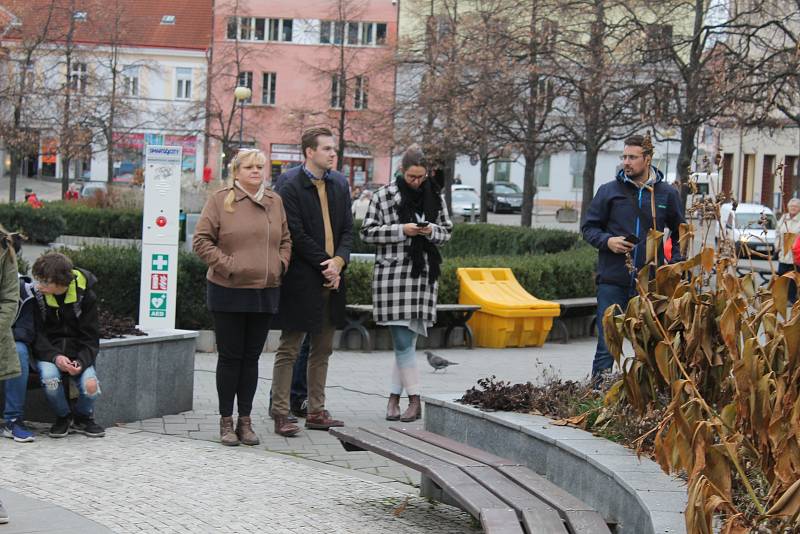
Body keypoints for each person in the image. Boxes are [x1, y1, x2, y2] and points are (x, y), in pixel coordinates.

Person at [193, 148, 292, 446]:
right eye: (249, 167)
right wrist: (229, 266)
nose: (256, 171)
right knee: (230, 358)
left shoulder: (276, 202)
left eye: (260, 167)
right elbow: (201, 240)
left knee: (251, 359)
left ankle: (245, 421)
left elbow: (286, 240)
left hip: (264, 291)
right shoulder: (220, 200)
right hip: (228, 291)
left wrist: (280, 265)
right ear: (236, 171)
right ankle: (226, 421)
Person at [270, 126, 353, 437]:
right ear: (309, 152)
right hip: (303, 278)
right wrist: (326, 265)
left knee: (323, 348)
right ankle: (280, 411)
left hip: (334, 277)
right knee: (289, 347)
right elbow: (295, 233)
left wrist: (339, 263)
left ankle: (316, 409)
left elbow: (347, 230)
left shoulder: (340, 183)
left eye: (334, 148)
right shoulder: (289, 184)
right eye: (327, 149)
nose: (333, 153)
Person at [581, 134, 684, 381]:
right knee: (607, 343)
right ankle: (597, 396)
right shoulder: (608, 191)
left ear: (647, 159)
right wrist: (607, 241)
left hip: (648, 285)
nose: (626, 162)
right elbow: (588, 228)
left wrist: (672, 267)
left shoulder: (666, 194)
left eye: (632, 157)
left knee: (648, 344)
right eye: (624, 156)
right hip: (612, 280)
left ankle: (644, 399)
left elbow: (681, 233)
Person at [360, 146, 453, 421]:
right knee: (402, 342)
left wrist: (430, 230)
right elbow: (366, 232)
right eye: (412, 176)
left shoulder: (434, 195)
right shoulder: (384, 195)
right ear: (402, 171)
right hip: (393, 276)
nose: (417, 181)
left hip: (424, 274)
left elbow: (447, 232)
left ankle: (392, 400)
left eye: (421, 177)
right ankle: (415, 401)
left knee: (407, 346)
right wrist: (403, 230)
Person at [31, 252, 104, 438]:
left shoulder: (85, 295)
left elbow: (91, 337)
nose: (40, 285)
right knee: (50, 380)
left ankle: (81, 417)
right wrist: (55, 357)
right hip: (49, 353)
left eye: (45, 281)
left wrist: (80, 361)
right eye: (39, 280)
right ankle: (63, 417)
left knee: (91, 386)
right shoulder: (38, 297)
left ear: (60, 282)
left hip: (79, 352)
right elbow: (37, 335)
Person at [2, 235, 36, 443]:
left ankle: (13, 420)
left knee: (19, 352)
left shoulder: (23, 288)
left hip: (8, 337)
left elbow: (26, 330)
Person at [776, 198, 800, 303]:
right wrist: (777, 246)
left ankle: (792, 299)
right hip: (783, 254)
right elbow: (778, 232)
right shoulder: (784, 218)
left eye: (796, 206)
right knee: (782, 275)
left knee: (794, 278)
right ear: (788, 207)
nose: (793, 208)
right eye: (791, 206)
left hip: (796, 255)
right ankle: (783, 298)